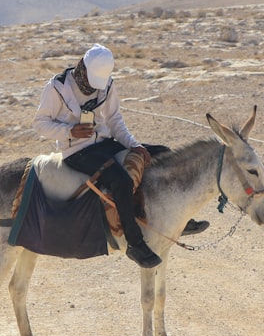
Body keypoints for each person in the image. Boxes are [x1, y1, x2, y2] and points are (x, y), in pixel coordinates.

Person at [33, 44, 207, 269]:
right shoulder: (56, 87)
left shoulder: (107, 85)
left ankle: (178, 221)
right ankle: (135, 243)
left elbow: (114, 120)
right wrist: (69, 131)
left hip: (103, 143)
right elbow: (40, 123)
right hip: (76, 151)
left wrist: (135, 146)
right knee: (120, 181)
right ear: (83, 68)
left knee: (162, 153)